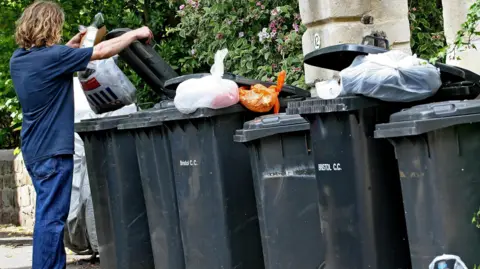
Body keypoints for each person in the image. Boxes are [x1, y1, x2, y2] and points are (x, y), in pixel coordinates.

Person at [9, 1, 153, 268]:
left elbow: (55, 58)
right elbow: (99, 51)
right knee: (51, 221)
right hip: (53, 151)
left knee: (48, 216)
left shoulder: (19, 59)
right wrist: (135, 33)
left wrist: (71, 47)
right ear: (50, 26)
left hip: (34, 149)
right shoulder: (54, 58)